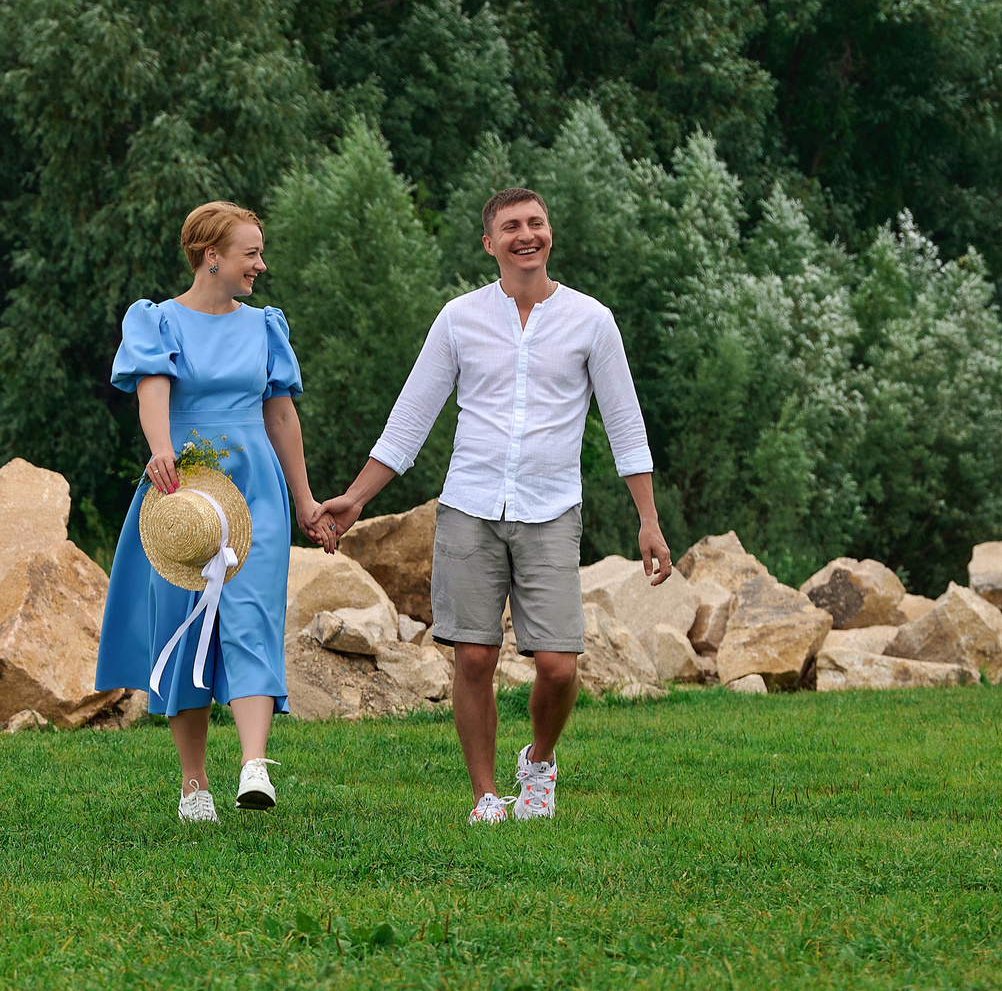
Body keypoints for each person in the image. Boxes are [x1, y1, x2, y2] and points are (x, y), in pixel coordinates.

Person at [312, 187, 672, 824]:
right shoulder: (459, 318)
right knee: (474, 656)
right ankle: (485, 796)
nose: (526, 235)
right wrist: (355, 501)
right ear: (489, 243)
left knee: (558, 666)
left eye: (536, 222)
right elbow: (410, 419)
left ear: (550, 232)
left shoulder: (592, 320)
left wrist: (649, 519)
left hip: (551, 510)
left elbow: (625, 424)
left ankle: (538, 762)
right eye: (511, 226)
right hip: (469, 507)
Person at [95, 201, 326, 821]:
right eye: (251, 253)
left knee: (252, 616)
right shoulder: (157, 321)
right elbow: (152, 392)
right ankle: (194, 785)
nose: (261, 265)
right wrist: (162, 450)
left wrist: (305, 499)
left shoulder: (266, 327)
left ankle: (255, 765)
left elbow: (281, 415)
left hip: (255, 488)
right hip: (185, 486)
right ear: (211, 257)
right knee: (185, 623)